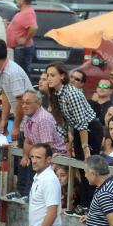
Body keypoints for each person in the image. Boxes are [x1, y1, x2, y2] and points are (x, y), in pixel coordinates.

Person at [47, 62, 103, 208]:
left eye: (52, 75)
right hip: (78, 131)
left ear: (62, 76)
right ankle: (84, 205)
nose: (49, 78)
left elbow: (82, 122)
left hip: (91, 130)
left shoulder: (71, 92)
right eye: (47, 75)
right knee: (80, 169)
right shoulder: (56, 94)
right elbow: (63, 123)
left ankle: (91, 206)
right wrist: (68, 144)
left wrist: (85, 149)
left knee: (90, 168)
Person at [0, 38, 32, 141]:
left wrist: (16, 127)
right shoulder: (2, 69)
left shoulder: (12, 72)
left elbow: (21, 101)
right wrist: (4, 120)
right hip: (22, 121)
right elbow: (5, 94)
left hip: (30, 123)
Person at [6, 0, 37, 75]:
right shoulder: (23, 12)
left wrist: (26, 39)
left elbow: (34, 27)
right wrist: (8, 25)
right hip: (17, 49)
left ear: (22, 0)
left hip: (22, 49)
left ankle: (25, 88)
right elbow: (21, 26)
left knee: (20, 73)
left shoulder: (28, 12)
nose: (16, 0)